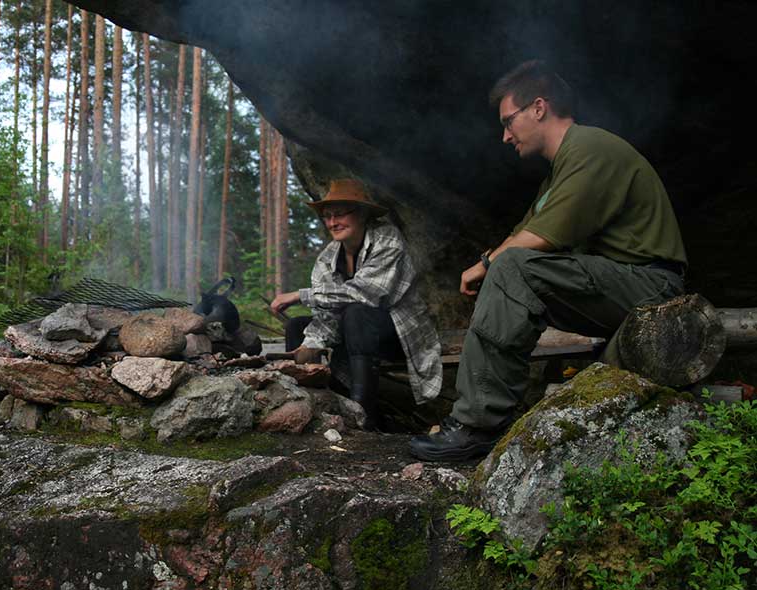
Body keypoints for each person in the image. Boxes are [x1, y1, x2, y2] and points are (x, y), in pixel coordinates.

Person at [408, 60, 687, 461]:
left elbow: (538, 240)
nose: (504, 136)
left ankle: (479, 424)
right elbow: (521, 233)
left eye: (509, 121)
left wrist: (485, 266)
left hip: (652, 287)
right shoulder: (556, 176)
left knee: (510, 268)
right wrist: (491, 261)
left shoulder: (591, 147)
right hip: (619, 284)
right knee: (510, 267)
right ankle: (480, 415)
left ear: (539, 107)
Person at [270, 178, 443, 430]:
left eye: (340, 214)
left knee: (357, 313)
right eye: (327, 216)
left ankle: (364, 417)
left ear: (362, 214)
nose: (332, 222)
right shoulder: (327, 258)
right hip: (354, 334)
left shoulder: (387, 239)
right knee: (298, 327)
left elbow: (367, 293)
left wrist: (299, 295)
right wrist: (310, 344)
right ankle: (311, 410)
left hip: (399, 335)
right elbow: (327, 312)